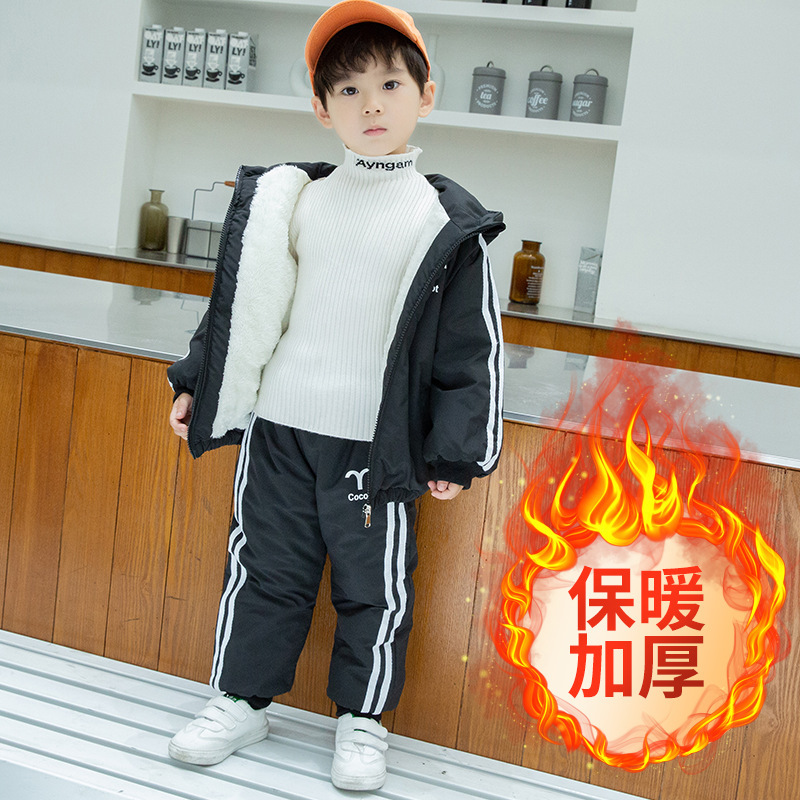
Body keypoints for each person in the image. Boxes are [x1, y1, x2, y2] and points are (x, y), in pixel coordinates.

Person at [165, 0, 504, 791]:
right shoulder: (293, 200)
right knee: (263, 571)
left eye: (390, 84)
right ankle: (240, 701)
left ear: (427, 94)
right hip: (279, 431)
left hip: (373, 446)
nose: (370, 104)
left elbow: (470, 349)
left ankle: (363, 720)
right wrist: (197, 382)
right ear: (322, 109)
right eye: (347, 90)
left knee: (373, 589)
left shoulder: (443, 222)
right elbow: (243, 306)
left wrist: (455, 451)